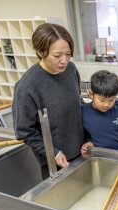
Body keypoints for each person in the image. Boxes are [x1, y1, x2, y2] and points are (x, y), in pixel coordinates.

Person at [12, 23, 84, 179]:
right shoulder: (27, 86)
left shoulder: (71, 70)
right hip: (56, 161)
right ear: (40, 52)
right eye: (57, 56)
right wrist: (53, 153)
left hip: (82, 151)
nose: (64, 61)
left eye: (68, 54)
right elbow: (24, 131)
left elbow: (78, 106)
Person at [80, 70, 118, 153]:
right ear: (91, 94)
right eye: (102, 100)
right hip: (99, 154)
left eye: (111, 100)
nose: (107, 104)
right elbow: (84, 133)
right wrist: (87, 142)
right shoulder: (84, 112)